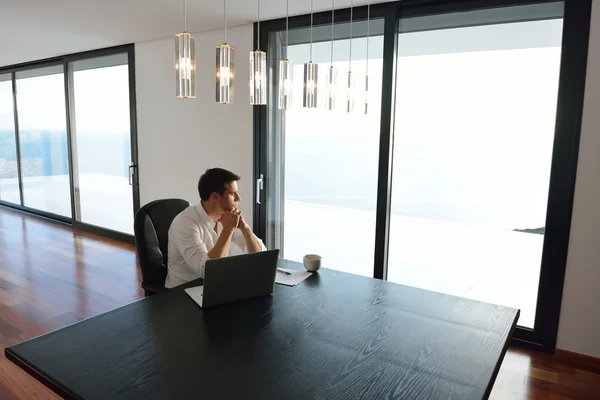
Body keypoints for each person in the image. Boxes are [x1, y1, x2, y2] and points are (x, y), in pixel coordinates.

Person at [165, 168, 266, 288]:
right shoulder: (185, 223)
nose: (238, 198)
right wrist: (228, 229)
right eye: (232, 194)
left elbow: (261, 257)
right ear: (214, 197)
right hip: (183, 294)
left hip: (216, 287)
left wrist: (245, 228)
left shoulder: (227, 217)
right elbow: (207, 271)